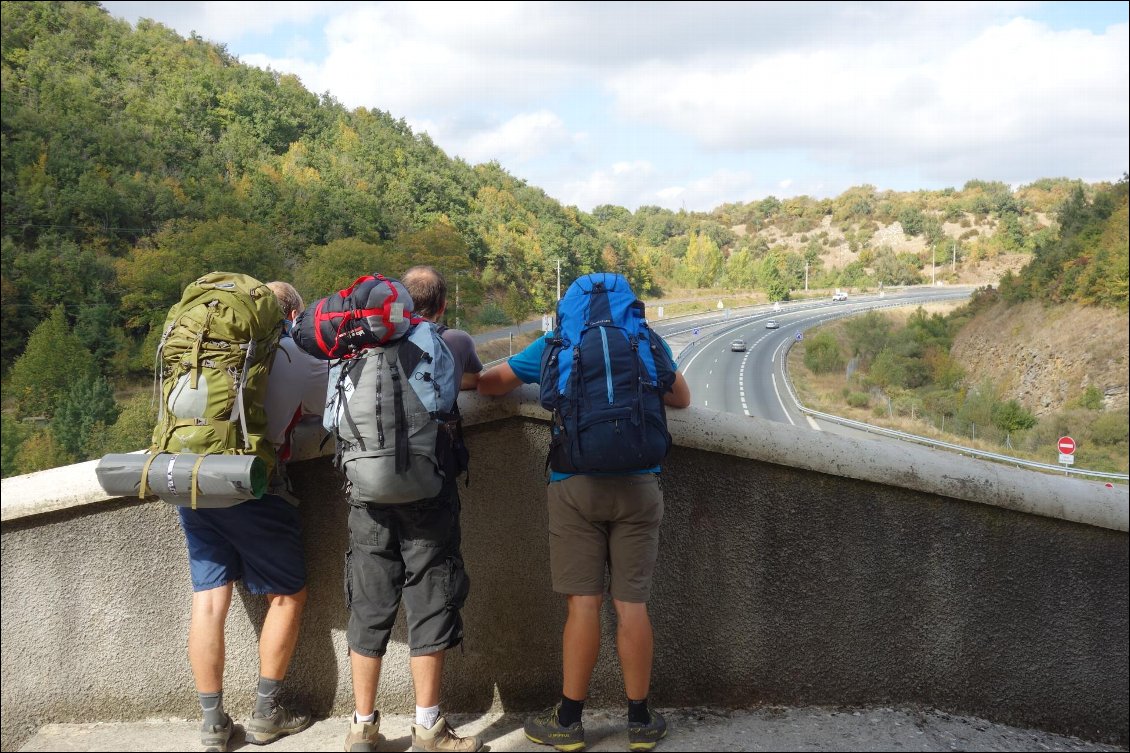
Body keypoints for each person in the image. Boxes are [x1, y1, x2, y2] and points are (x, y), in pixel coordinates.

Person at [476, 282, 691, 752]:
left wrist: (468, 378)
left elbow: (493, 384)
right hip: (639, 484)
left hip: (575, 486)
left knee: (584, 605)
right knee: (632, 605)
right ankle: (640, 721)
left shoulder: (555, 344)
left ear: (568, 308)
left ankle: (569, 721)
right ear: (629, 305)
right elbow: (682, 398)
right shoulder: (646, 340)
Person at [180, 280, 328, 752]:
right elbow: (332, 409)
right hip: (251, 489)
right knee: (286, 596)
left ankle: (212, 724)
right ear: (289, 317)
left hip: (191, 479)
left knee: (208, 598)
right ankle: (266, 713)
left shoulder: (204, 350)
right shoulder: (291, 357)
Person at [343, 265, 484, 753]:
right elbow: (447, 400)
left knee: (368, 604)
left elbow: (330, 418)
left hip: (365, 497)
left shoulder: (352, 345)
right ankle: (428, 727)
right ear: (440, 305)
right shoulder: (445, 341)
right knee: (430, 600)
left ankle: (362, 725)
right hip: (428, 493)